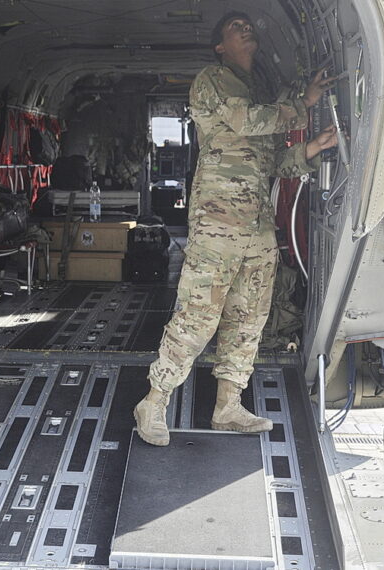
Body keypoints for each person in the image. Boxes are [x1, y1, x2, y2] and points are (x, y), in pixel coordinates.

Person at [134, 11, 339, 446]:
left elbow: (271, 163)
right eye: (235, 26)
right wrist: (302, 103)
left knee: (249, 317)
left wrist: (311, 149)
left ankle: (228, 406)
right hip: (218, 222)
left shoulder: (259, 93)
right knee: (198, 314)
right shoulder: (214, 80)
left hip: (257, 226)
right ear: (220, 46)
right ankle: (154, 401)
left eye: (250, 24)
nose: (247, 29)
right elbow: (249, 122)